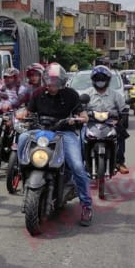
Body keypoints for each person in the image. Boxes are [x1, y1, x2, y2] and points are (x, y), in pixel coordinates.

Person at [21, 63, 93, 226]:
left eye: (56, 82)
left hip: (64, 133)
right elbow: (28, 112)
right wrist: (21, 115)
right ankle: (22, 171)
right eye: (50, 81)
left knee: (77, 167)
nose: (52, 85)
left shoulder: (71, 95)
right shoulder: (38, 93)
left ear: (62, 82)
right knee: (22, 139)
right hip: (41, 132)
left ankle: (86, 206)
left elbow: (82, 115)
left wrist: (81, 118)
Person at [82, 65, 129, 174]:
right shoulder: (87, 93)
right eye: (97, 78)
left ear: (107, 80)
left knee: (121, 134)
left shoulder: (115, 95)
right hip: (90, 123)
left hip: (110, 122)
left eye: (102, 79)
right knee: (79, 136)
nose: (100, 81)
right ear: (93, 80)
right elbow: (80, 107)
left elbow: (123, 109)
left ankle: (119, 162)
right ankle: (81, 161)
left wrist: (122, 116)